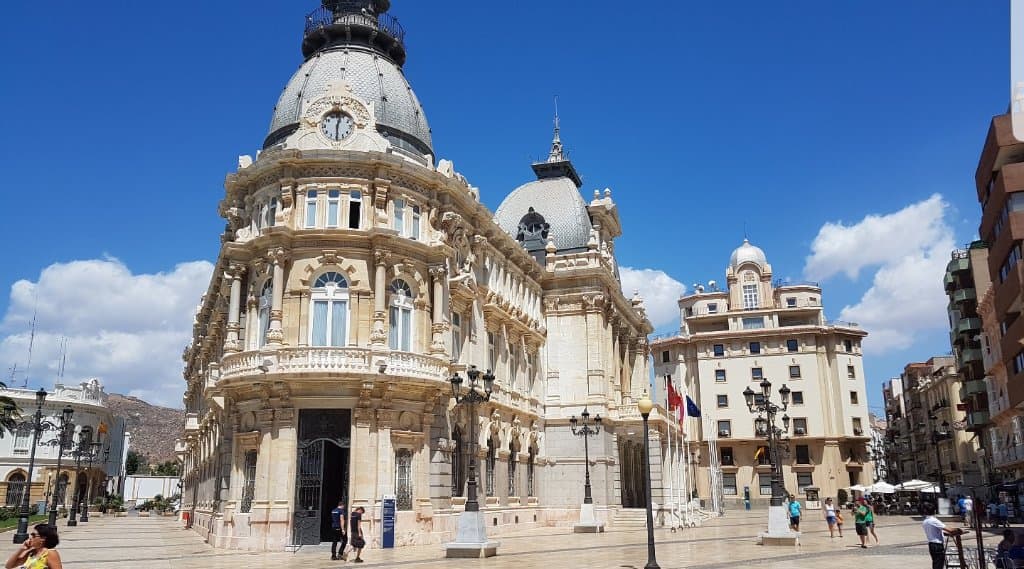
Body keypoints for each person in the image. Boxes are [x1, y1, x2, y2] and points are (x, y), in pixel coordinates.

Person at [923, 502, 963, 569]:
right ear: (935, 511)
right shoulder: (934, 520)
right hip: (937, 545)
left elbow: (935, 531)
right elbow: (949, 530)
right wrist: (959, 530)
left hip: (931, 544)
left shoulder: (925, 521)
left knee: (936, 563)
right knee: (938, 564)